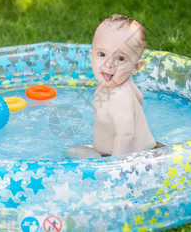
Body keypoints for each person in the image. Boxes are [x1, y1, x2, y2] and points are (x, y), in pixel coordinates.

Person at [66, 14, 162, 158]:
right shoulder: (121, 83)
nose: (109, 64)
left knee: (72, 153)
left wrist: (115, 170)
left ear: (135, 67)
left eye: (120, 58)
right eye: (102, 54)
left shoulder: (119, 95)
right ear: (92, 56)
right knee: (74, 151)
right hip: (137, 150)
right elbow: (139, 98)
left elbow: (126, 136)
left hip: (132, 159)